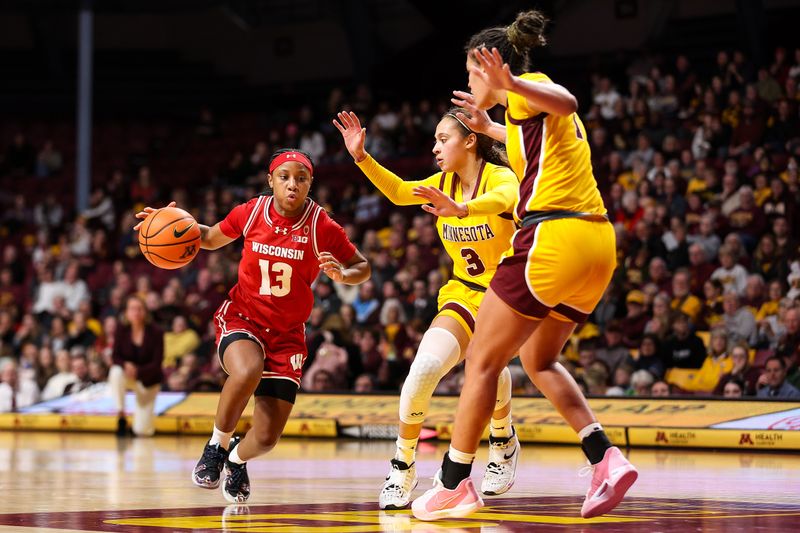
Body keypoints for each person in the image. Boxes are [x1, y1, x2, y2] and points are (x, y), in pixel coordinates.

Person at [411, 10, 637, 522]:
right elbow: (531, 148)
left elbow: (568, 99)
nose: (469, 82)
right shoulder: (520, 114)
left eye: (473, 72)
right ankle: (604, 457)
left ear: (490, 65)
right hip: (596, 245)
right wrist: (489, 123)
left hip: (553, 238)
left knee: (481, 362)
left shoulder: (526, 85)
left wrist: (508, 82)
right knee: (538, 361)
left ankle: (453, 483)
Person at [134, 148, 370, 503]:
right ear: (270, 181)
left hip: (288, 336)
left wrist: (343, 274)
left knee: (266, 437)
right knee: (247, 370)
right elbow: (211, 237)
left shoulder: (321, 225)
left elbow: (362, 266)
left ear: (310, 184)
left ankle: (236, 458)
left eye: (301, 179)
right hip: (243, 317)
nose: (293, 185)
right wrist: (172, 225)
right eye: (285, 177)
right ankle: (216, 446)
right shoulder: (251, 211)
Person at [334, 106, 520, 509]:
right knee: (423, 368)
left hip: (505, 296)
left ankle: (502, 437)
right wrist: (361, 157)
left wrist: (465, 210)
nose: (435, 147)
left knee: (484, 369)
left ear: (470, 141)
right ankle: (403, 465)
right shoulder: (442, 185)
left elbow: (508, 196)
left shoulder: (498, 176)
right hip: (463, 290)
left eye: (443, 139)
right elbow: (400, 191)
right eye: (435, 140)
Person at [108, 295, 164, 437]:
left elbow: (157, 363)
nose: (136, 312)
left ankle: (140, 424)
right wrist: (126, 365)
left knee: (142, 431)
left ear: (145, 312)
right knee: (115, 372)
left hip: (149, 381)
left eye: (139, 309)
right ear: (127, 312)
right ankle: (121, 415)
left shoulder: (156, 332)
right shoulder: (121, 330)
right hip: (128, 376)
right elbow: (115, 356)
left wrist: (138, 372)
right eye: (132, 309)